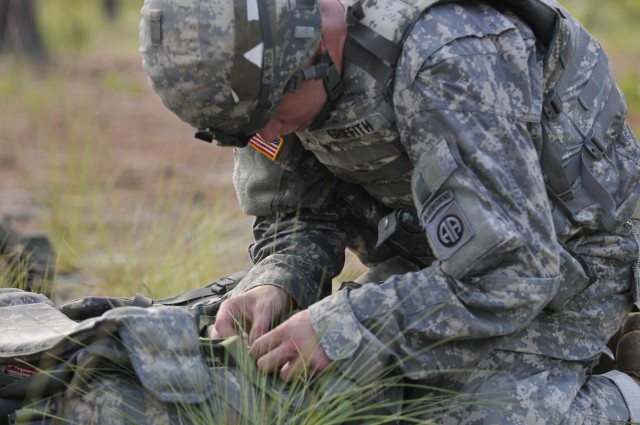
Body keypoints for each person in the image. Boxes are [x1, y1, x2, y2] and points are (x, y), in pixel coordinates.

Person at [139, 0, 640, 422]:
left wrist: (346, 326)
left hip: (574, 258)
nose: (267, 139)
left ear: (314, 46)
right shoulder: (262, 86)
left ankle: (628, 387)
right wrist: (279, 278)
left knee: (465, 413)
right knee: (338, 397)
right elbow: (297, 212)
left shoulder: (446, 54)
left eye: (268, 117)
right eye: (244, 134)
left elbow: (515, 273)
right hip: (446, 259)